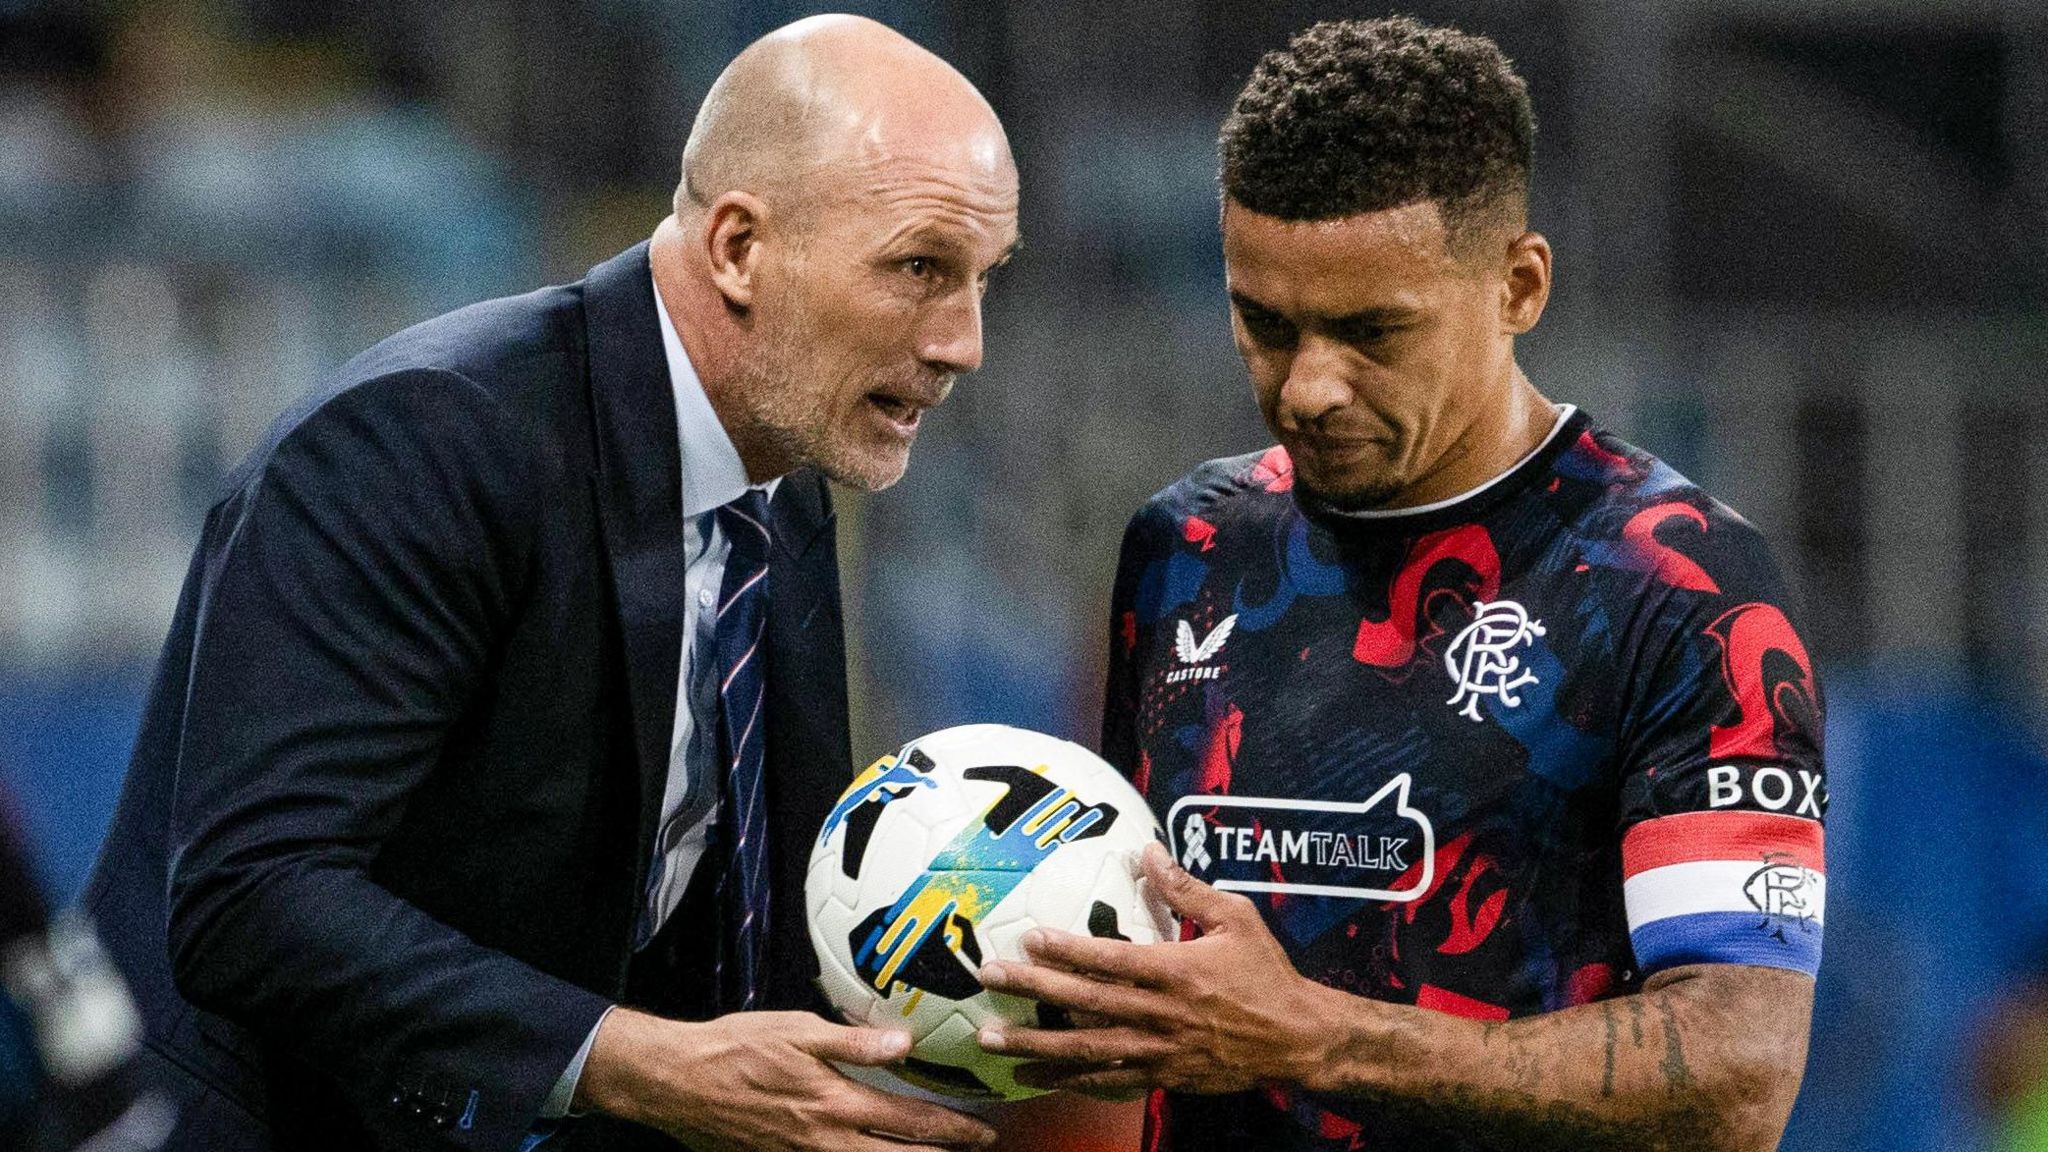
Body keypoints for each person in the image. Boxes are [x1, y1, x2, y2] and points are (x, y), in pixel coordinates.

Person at [82, 14, 1016, 1152]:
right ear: (736, 248)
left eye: (982, 279)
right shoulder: (424, 444)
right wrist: (639, 1062)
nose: (963, 341)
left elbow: (766, 934)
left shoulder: (786, 484)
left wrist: (1000, 1013)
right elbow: (250, 900)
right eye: (919, 268)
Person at [975, 17, 1825, 1152]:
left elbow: (1737, 1080)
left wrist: (1307, 1038)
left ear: (1518, 285)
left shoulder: (1675, 585)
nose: (1308, 387)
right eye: (1263, 324)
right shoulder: (1183, 549)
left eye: (1372, 331)